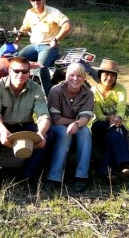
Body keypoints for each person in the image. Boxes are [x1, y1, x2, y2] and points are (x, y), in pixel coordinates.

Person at [0, 56, 51, 183]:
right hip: (4, 125)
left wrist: (41, 134)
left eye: (24, 71)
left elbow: (44, 115)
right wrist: (3, 131)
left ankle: (28, 175)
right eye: (16, 71)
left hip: (24, 124)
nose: (20, 74)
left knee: (48, 135)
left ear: (29, 72)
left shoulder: (36, 88)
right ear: (10, 71)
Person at [46, 63, 94, 192]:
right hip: (56, 125)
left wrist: (77, 124)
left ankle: (81, 176)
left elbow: (86, 117)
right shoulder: (56, 90)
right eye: (72, 75)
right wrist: (75, 122)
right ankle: (54, 177)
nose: (75, 79)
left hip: (77, 124)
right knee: (64, 133)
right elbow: (56, 119)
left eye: (79, 76)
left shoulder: (88, 93)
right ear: (66, 76)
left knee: (85, 133)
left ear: (84, 78)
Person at [14, 0, 72, 96]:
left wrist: (55, 40)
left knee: (40, 67)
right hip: (33, 46)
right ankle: (17, 90)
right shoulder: (29, 13)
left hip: (47, 46)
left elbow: (67, 26)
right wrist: (17, 39)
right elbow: (24, 28)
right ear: (30, 1)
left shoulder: (53, 12)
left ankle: (48, 95)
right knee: (15, 62)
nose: (36, 2)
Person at [90, 59, 129, 180]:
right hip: (99, 123)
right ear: (100, 75)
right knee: (114, 131)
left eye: (113, 75)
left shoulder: (121, 89)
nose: (109, 78)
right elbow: (98, 115)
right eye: (106, 75)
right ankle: (124, 163)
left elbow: (121, 107)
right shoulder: (93, 92)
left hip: (117, 123)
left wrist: (118, 118)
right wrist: (109, 118)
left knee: (114, 132)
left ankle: (108, 171)